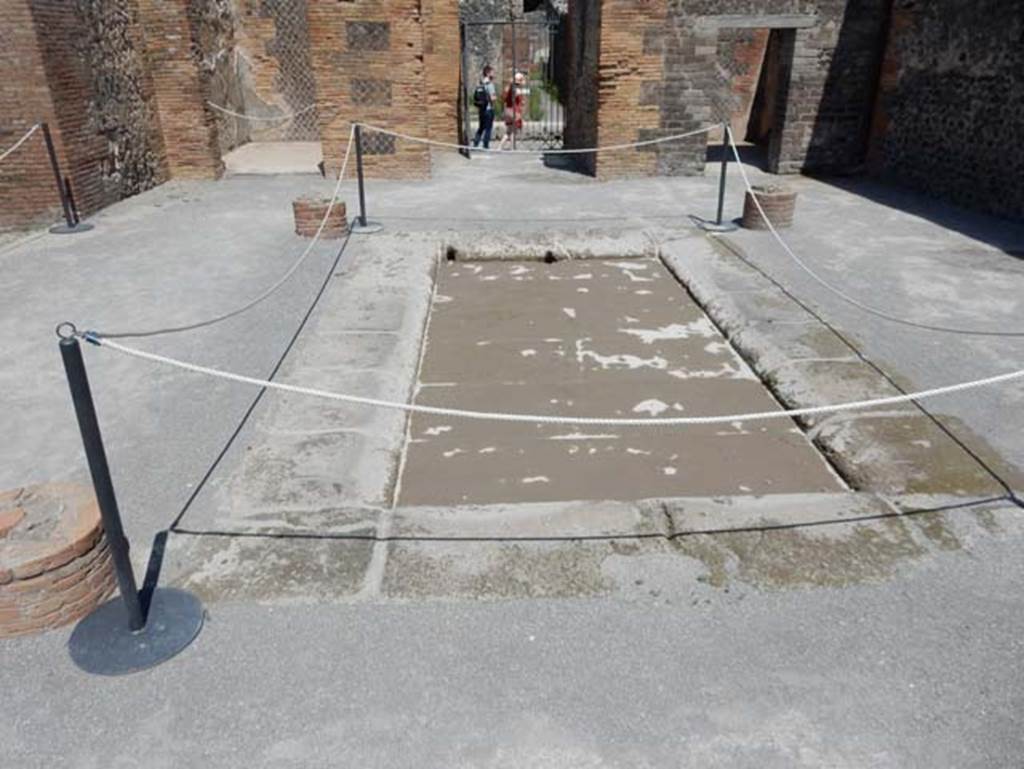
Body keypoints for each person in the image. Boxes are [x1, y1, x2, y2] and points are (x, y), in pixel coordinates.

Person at [471, 65, 497, 150]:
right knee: (488, 128)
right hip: (488, 109)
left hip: (481, 109)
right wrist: (495, 99)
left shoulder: (480, 83)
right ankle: (486, 145)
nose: (494, 74)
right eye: (492, 72)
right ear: (488, 73)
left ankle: (476, 143)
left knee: (481, 127)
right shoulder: (490, 84)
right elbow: (492, 98)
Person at [498, 71, 525, 151]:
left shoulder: (508, 88)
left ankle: (500, 147)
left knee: (509, 130)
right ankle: (512, 147)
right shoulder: (517, 90)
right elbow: (519, 101)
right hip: (514, 111)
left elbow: (504, 98)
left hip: (508, 110)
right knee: (513, 130)